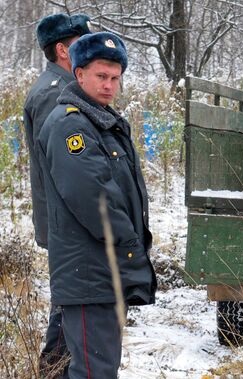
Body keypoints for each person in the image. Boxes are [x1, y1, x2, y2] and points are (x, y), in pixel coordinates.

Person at [36, 32, 157, 378]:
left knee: (84, 366)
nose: (109, 85)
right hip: (89, 270)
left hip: (100, 267)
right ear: (79, 74)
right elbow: (95, 199)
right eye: (101, 76)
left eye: (115, 78)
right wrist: (132, 248)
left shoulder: (100, 121)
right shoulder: (71, 124)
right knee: (95, 371)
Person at [22, 13, 91, 377]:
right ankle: (54, 372)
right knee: (69, 307)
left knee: (73, 306)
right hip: (67, 222)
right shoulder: (54, 94)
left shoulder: (64, 88)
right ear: (63, 49)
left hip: (69, 220)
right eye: (81, 41)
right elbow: (65, 169)